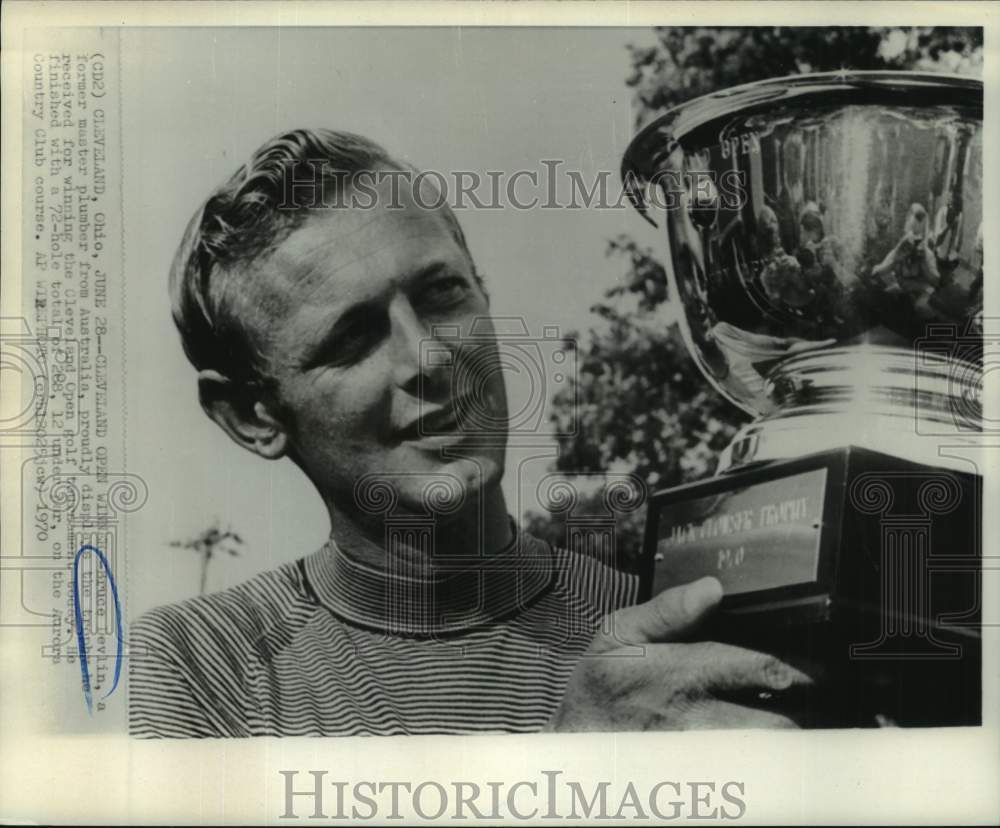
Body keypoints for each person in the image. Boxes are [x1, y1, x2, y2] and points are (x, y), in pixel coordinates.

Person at [129, 129, 814, 738]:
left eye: (440, 294)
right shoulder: (201, 667)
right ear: (253, 417)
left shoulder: (660, 625)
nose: (427, 356)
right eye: (353, 337)